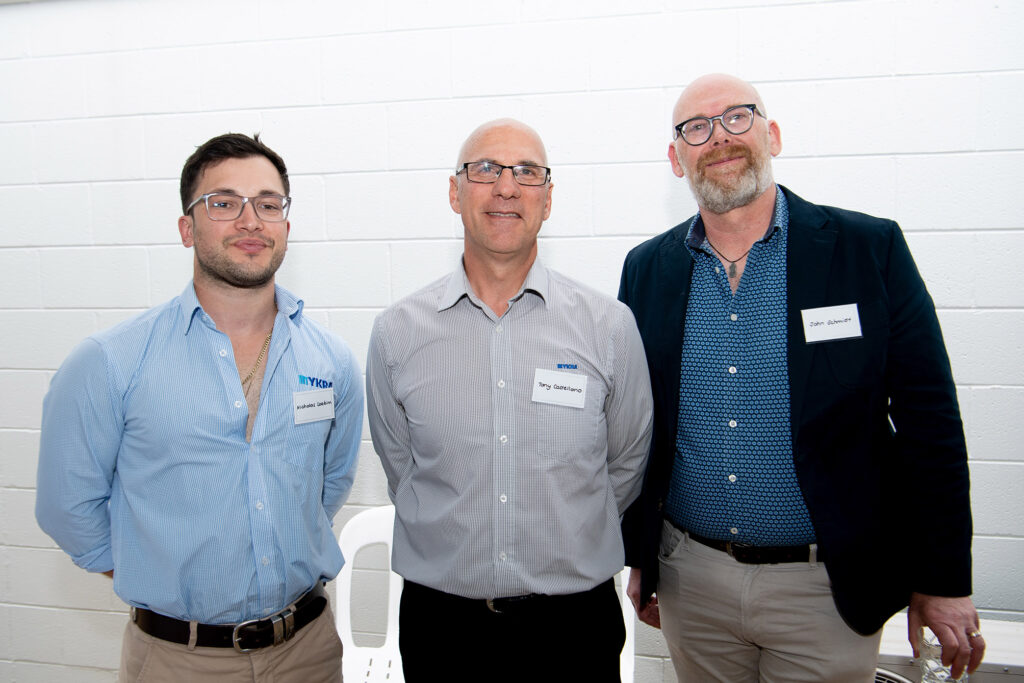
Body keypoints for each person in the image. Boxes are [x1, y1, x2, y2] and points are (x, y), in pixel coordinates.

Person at [619, 74, 984, 682]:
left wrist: (943, 579)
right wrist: (641, 557)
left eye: (737, 117)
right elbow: (637, 429)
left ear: (773, 135)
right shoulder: (646, 269)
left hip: (826, 589)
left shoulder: (867, 250)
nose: (719, 137)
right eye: (696, 128)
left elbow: (931, 424)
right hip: (692, 584)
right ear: (677, 159)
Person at [36, 133, 363, 682]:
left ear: (285, 225)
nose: (250, 220)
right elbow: (67, 508)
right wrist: (154, 572)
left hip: (309, 654)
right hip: (177, 660)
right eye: (224, 203)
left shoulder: (332, 361)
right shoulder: (110, 363)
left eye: (268, 204)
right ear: (187, 228)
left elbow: (328, 486)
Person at [366, 118, 653, 682]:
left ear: (548, 198)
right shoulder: (398, 333)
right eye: (485, 170)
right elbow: (403, 467)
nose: (506, 187)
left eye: (526, 172)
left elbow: (625, 463)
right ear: (455, 193)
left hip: (575, 628)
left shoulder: (609, 327)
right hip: (442, 628)